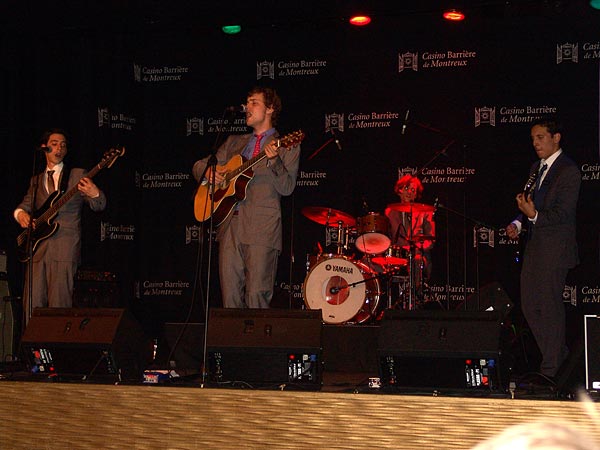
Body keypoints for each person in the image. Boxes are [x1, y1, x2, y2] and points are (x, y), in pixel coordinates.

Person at [192, 86, 301, 309]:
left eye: (254, 102)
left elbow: (287, 187)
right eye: (247, 102)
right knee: (230, 298)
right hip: (229, 227)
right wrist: (209, 172)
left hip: (262, 227)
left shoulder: (287, 145)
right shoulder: (234, 141)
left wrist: (274, 161)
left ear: (270, 109)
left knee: (256, 297)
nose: (247, 107)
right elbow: (198, 165)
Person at [505, 118, 580, 378]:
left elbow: (563, 213)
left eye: (540, 138)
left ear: (555, 138)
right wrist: (519, 221)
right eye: (533, 139)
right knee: (529, 305)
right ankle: (557, 357)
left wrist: (534, 215)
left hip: (556, 249)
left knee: (549, 306)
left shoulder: (568, 171)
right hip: (535, 247)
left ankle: (552, 367)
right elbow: (531, 203)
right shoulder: (536, 167)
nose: (535, 143)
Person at [14, 129, 107, 322]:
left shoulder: (76, 175)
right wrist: (21, 214)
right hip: (38, 250)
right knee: (31, 305)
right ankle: (34, 342)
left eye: (63, 145)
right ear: (44, 147)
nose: (59, 148)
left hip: (64, 247)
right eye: (54, 144)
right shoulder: (36, 180)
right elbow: (25, 205)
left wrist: (95, 193)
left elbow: (99, 205)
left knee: (59, 305)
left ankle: (57, 342)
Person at [383, 174, 435, 300]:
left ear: (416, 194)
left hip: (417, 254)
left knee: (416, 259)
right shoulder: (390, 212)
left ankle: (415, 298)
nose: (409, 192)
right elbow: (386, 237)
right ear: (399, 190)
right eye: (406, 188)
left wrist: (416, 247)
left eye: (413, 190)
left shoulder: (425, 212)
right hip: (397, 254)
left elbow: (430, 240)